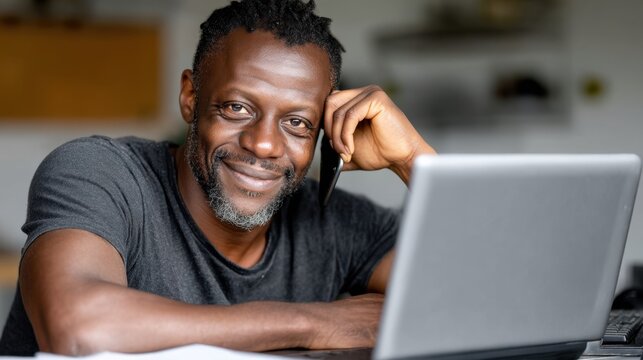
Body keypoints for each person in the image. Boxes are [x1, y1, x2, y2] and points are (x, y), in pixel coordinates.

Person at [0, 0, 434, 356]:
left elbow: (488, 298)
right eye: (237, 108)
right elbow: (79, 329)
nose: (263, 144)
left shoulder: (336, 223)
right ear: (191, 97)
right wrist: (317, 321)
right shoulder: (101, 174)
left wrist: (412, 158)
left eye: (298, 122)